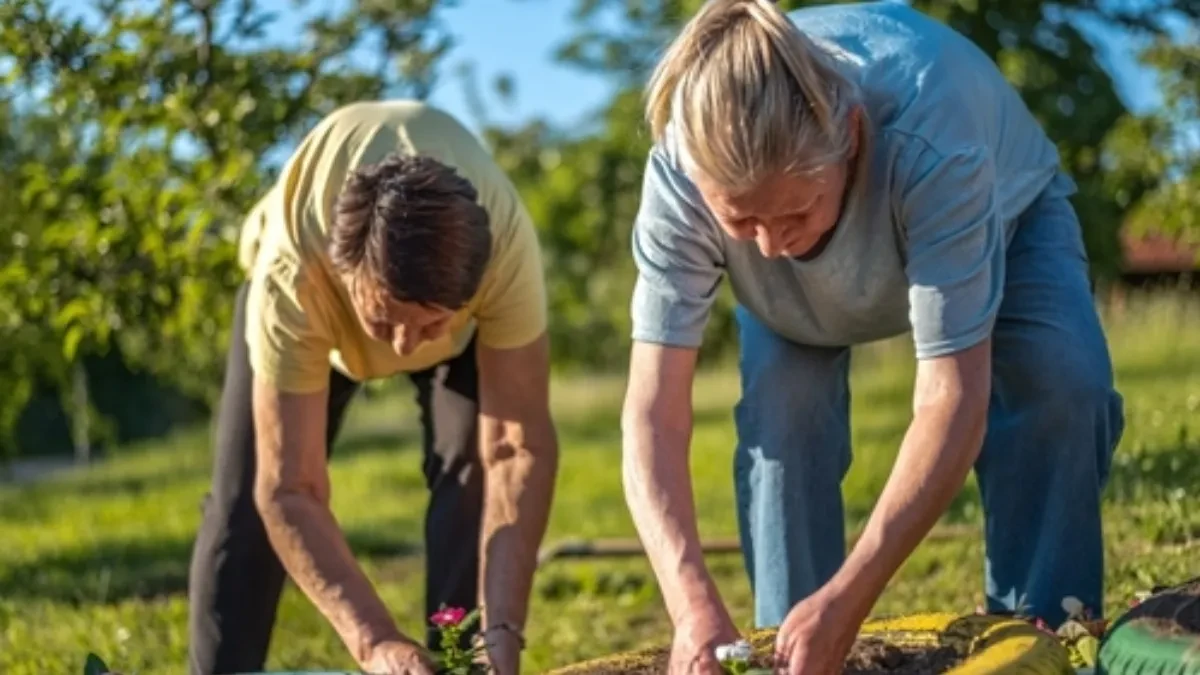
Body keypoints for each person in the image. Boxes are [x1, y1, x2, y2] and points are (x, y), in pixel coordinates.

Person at [620, 1, 1125, 673]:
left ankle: (1048, 635)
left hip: (1009, 216)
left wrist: (856, 592)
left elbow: (950, 400)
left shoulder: (933, 137)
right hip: (795, 312)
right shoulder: (681, 171)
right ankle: (794, 644)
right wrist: (690, 605)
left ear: (851, 135)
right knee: (784, 413)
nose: (771, 247)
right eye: (742, 222)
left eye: (795, 210)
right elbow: (653, 412)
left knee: (1062, 382)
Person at [186, 100, 559, 675]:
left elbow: (518, 446)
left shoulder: (506, 247)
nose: (405, 349)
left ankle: (463, 661)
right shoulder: (295, 274)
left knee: (476, 476)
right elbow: (290, 488)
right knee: (244, 509)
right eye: (387, 325)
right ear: (344, 273)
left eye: (428, 324)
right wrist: (375, 640)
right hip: (310, 314)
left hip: (456, 323)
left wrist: (502, 623)